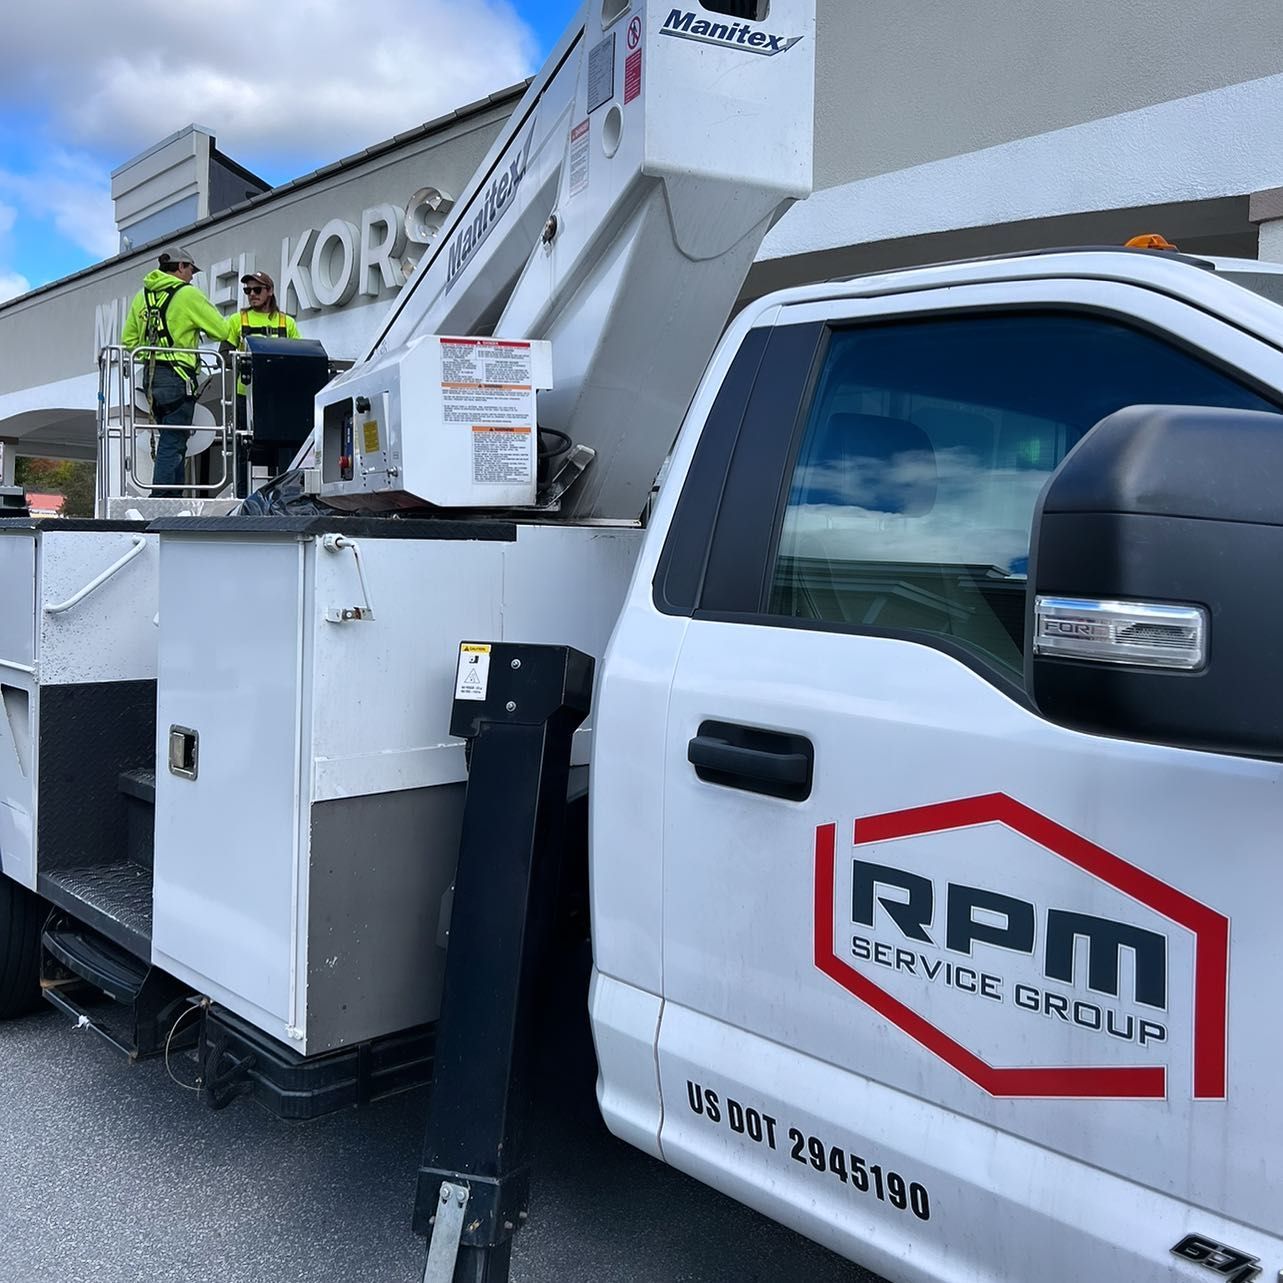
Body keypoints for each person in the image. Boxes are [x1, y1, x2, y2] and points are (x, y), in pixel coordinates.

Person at [121, 246, 230, 488]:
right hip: (178, 376)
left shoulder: (142, 296)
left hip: (151, 378)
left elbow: (128, 341)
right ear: (181, 266)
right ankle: (161, 496)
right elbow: (221, 330)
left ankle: (173, 495)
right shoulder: (188, 294)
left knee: (173, 438)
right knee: (173, 440)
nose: (192, 276)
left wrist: (153, 353)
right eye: (191, 269)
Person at [223, 270, 302, 431]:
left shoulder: (287, 322)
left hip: (278, 394)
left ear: (270, 291)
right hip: (245, 394)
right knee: (244, 441)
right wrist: (246, 363)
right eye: (248, 290)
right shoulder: (237, 319)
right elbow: (223, 356)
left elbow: (299, 357)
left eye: (257, 290)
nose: (252, 294)